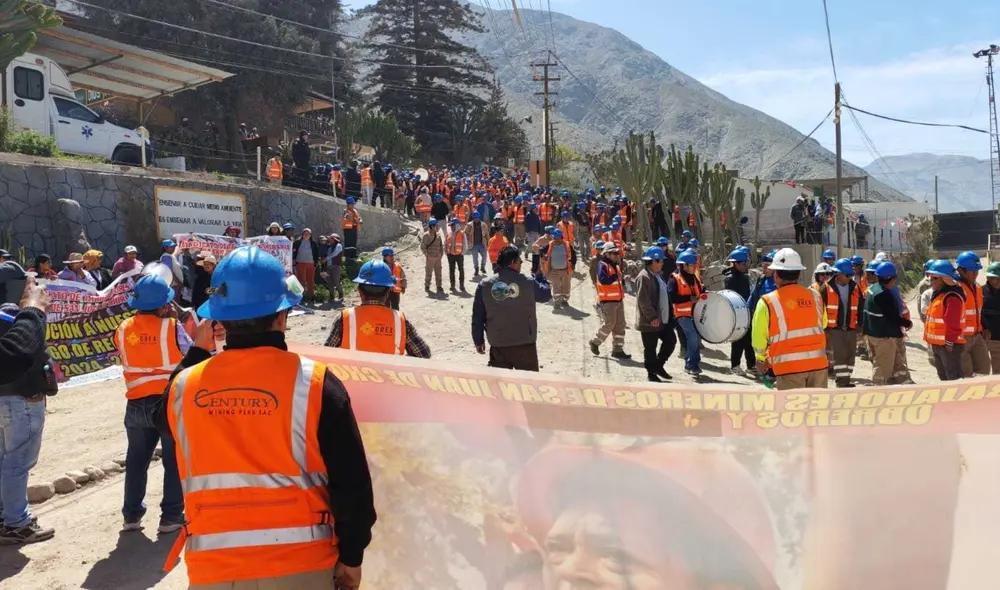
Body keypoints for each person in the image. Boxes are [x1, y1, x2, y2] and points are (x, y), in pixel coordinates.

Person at [162, 246, 377, 589]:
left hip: (213, 571)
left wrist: (197, 352)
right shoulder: (316, 383)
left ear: (218, 319)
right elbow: (352, 486)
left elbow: (166, 424)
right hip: (301, 565)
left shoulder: (183, 388)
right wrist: (352, 557)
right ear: (282, 315)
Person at [113, 274, 188, 534]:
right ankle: (171, 517)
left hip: (135, 403)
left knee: (136, 461)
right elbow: (192, 355)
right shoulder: (172, 327)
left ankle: (131, 516)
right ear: (164, 304)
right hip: (167, 403)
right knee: (173, 461)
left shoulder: (122, 329)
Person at [0, 280, 56, 544]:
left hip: (6, 404)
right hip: (23, 404)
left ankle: (6, 517)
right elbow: (23, 358)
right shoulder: (22, 341)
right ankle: (16, 523)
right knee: (17, 463)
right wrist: (34, 310)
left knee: (6, 461)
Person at [752, 248, 829, 390]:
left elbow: (759, 338)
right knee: (816, 411)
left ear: (776, 275)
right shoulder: (816, 296)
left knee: (793, 411)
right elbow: (823, 323)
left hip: (788, 369)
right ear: (799, 273)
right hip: (818, 366)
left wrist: (761, 359)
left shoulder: (767, 302)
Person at [325, 260, 429, 358]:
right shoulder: (400, 321)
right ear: (388, 293)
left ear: (360, 292)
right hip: (389, 376)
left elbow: (326, 354)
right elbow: (423, 354)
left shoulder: (345, 318)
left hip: (351, 376)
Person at [472, 245, 552, 371]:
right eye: (519, 261)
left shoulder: (484, 285)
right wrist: (541, 277)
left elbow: (478, 316)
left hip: (498, 344)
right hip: (525, 344)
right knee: (528, 386)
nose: (521, 263)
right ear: (513, 263)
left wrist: (478, 340)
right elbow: (546, 295)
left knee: (502, 387)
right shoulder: (528, 282)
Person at [861, 261, 912, 386]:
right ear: (891, 279)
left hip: (871, 334)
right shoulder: (884, 295)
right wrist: (907, 323)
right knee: (882, 368)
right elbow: (892, 317)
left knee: (897, 363)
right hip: (883, 337)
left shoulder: (872, 289)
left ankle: (906, 384)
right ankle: (877, 390)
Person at [635, 246, 675, 382]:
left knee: (670, 341)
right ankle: (651, 373)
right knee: (650, 348)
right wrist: (652, 317)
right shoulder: (644, 277)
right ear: (651, 261)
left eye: (662, 261)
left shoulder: (658, 275)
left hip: (662, 319)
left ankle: (658, 366)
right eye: (659, 261)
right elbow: (643, 300)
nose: (662, 263)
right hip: (649, 321)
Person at [923, 260, 966, 381]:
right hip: (939, 345)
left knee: (954, 379)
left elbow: (953, 323)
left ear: (943, 279)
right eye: (930, 278)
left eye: (934, 278)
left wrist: (949, 342)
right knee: (944, 379)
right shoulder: (939, 295)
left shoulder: (951, 297)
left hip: (948, 346)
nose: (930, 282)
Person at [823, 259, 862, 387]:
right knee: (839, 356)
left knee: (850, 356)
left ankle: (846, 377)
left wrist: (860, 324)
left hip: (851, 328)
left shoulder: (855, 288)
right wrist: (824, 328)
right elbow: (820, 309)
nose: (851, 277)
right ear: (839, 274)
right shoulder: (826, 288)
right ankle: (842, 382)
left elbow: (861, 307)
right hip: (834, 329)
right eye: (848, 275)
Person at [590, 243, 631, 359]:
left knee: (620, 325)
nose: (616, 255)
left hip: (618, 300)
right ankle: (595, 342)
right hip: (608, 302)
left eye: (616, 253)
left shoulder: (616, 266)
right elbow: (604, 280)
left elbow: (616, 283)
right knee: (609, 324)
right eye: (613, 253)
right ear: (606, 254)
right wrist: (617, 277)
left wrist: (623, 280)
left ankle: (618, 350)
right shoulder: (602, 265)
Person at [668, 250, 704, 375]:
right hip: (682, 314)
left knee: (696, 338)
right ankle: (690, 364)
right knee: (693, 336)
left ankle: (694, 364)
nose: (695, 267)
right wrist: (689, 299)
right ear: (684, 266)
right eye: (692, 265)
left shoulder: (694, 278)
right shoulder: (674, 279)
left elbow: (701, 291)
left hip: (696, 313)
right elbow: (672, 297)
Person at [956, 251, 990, 377]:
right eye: (972, 271)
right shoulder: (955, 289)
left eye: (977, 271)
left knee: (984, 370)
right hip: (961, 339)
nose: (975, 274)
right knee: (966, 375)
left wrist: (984, 327)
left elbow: (979, 311)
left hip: (977, 336)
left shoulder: (977, 287)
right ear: (961, 270)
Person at [725, 248, 754, 377]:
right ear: (735, 264)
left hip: (746, 311)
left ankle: (751, 365)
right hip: (737, 313)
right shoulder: (730, 279)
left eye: (746, 263)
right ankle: (735, 366)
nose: (745, 266)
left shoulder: (745, 277)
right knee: (738, 340)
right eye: (743, 264)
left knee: (749, 340)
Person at [543, 228, 575, 309]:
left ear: (561, 237)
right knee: (556, 286)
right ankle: (557, 302)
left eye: (557, 237)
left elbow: (573, 255)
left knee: (566, 286)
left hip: (566, 270)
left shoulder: (567, 245)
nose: (556, 239)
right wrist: (543, 255)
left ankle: (564, 300)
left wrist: (573, 263)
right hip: (555, 270)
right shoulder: (551, 244)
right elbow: (542, 251)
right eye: (555, 237)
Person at [292, 228, 320, 301]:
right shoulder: (297, 242)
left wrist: (316, 262)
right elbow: (293, 252)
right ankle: (300, 297)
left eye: (308, 234)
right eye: (305, 233)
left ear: (310, 235)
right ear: (302, 234)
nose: (306, 235)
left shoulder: (313, 243)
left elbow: (316, 253)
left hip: (311, 263)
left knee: (310, 280)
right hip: (300, 263)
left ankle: (311, 296)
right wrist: (293, 260)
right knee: (301, 280)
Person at [983, 262, 1000, 374]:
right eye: (993, 278)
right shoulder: (980, 292)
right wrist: (983, 328)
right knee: (981, 371)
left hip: (998, 340)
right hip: (983, 338)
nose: (995, 281)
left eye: (998, 278)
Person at [421, 219, 445, 294]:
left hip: (438, 257)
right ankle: (427, 286)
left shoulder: (438, 235)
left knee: (438, 272)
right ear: (431, 226)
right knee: (428, 272)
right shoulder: (426, 235)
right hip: (430, 258)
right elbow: (422, 246)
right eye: (435, 226)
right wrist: (427, 255)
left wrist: (441, 254)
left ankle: (439, 286)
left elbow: (441, 245)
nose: (437, 227)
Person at [446, 217, 467, 292]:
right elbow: (446, 244)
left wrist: (462, 253)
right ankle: (452, 285)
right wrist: (447, 253)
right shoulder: (449, 233)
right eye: (451, 225)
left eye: (452, 225)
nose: (451, 227)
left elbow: (465, 245)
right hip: (450, 255)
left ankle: (461, 284)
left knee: (461, 270)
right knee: (451, 270)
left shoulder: (462, 233)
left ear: (457, 225)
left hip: (459, 255)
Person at [466, 211, 489, 276]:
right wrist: (468, 240)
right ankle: (476, 269)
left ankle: (482, 267)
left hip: (482, 244)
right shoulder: (469, 225)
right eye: (474, 218)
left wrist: (488, 242)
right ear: (473, 218)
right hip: (474, 244)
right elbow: (465, 233)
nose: (476, 219)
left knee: (485, 256)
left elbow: (487, 234)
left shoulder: (483, 225)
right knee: (475, 258)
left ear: (479, 218)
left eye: (477, 218)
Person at [324, 234, 345, 301]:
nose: (330, 239)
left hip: (336, 266)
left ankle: (341, 294)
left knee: (336, 281)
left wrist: (326, 258)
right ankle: (331, 296)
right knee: (330, 282)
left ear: (335, 239)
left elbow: (335, 253)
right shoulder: (329, 247)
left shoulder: (339, 246)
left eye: (331, 238)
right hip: (329, 266)